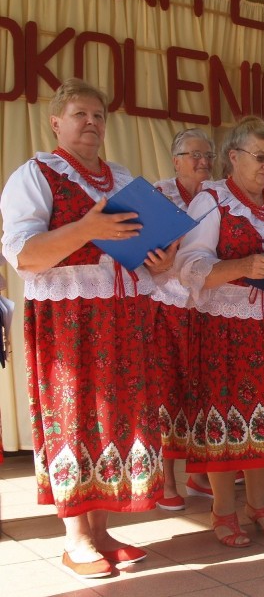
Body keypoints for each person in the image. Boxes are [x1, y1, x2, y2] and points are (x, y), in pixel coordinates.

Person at [0, 78, 169, 577]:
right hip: (69, 319)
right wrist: (87, 228)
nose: (91, 122)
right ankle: (75, 538)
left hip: (123, 314)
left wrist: (157, 261)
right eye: (79, 114)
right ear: (56, 122)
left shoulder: (120, 178)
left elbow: (136, 253)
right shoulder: (34, 175)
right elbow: (24, 256)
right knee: (73, 417)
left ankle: (101, 530)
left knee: (114, 416)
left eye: (98, 115)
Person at [175, 116, 264, 547]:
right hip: (226, 327)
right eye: (259, 157)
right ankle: (223, 509)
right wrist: (240, 267)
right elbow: (188, 265)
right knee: (226, 419)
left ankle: (259, 504)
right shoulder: (211, 200)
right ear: (233, 156)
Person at [152, 128, 216, 510]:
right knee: (166, 392)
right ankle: (166, 481)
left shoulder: (220, 196)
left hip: (208, 306)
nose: (203, 162)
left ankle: (200, 473)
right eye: (195, 155)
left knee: (204, 390)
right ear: (176, 161)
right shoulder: (159, 195)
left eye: (208, 155)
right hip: (166, 306)